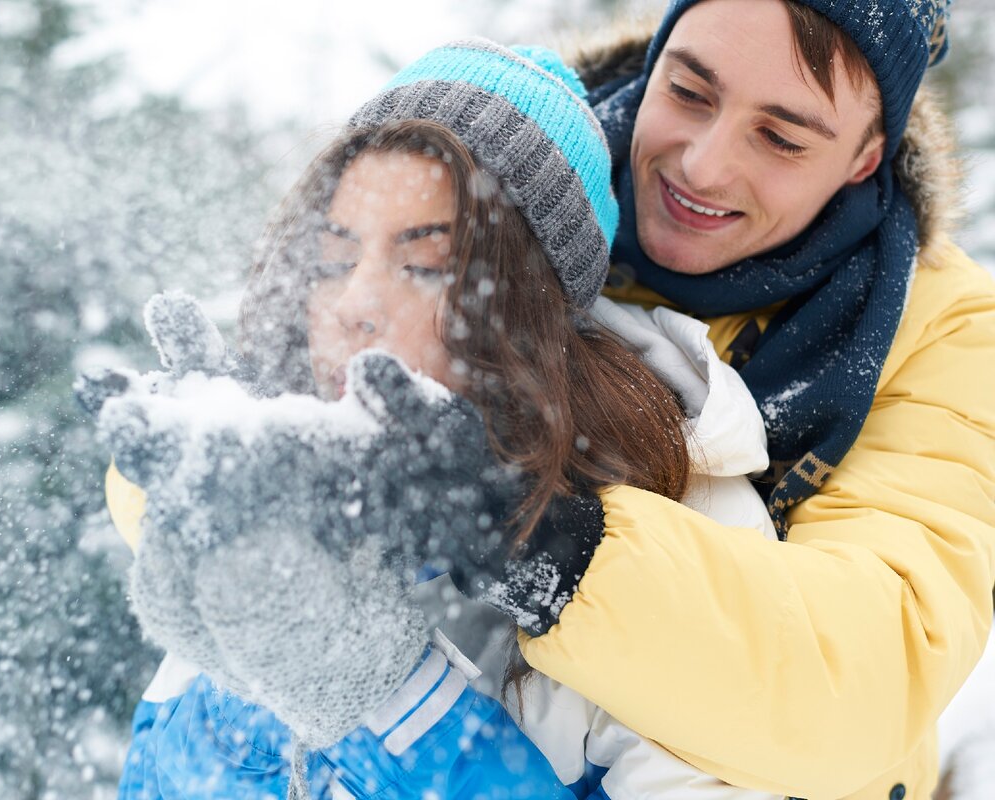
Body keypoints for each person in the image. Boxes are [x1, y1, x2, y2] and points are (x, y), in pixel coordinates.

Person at [86, 39, 782, 799]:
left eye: (424, 266)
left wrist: (387, 702)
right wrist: (230, 681)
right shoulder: (282, 493)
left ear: (529, 309)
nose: (354, 306)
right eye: (331, 260)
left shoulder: (681, 541)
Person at [501, 1, 992, 798]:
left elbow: (866, 677)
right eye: (689, 92)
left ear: (867, 155)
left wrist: (544, 543)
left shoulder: (942, 328)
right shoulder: (501, 198)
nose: (702, 165)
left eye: (781, 138)